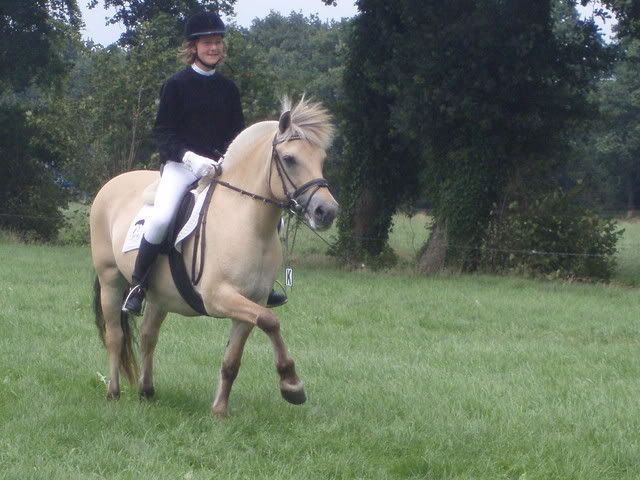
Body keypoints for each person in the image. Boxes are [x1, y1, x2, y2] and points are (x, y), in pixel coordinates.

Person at [122, 11, 286, 314]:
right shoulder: (176, 85)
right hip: (181, 166)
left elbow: (237, 136)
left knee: (272, 216)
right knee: (162, 218)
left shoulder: (228, 89)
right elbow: (163, 133)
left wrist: (227, 160)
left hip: (220, 168)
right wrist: (190, 158)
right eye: (208, 43)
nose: (214, 48)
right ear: (194, 47)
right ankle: (138, 284)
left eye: (218, 42)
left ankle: (263, 283)